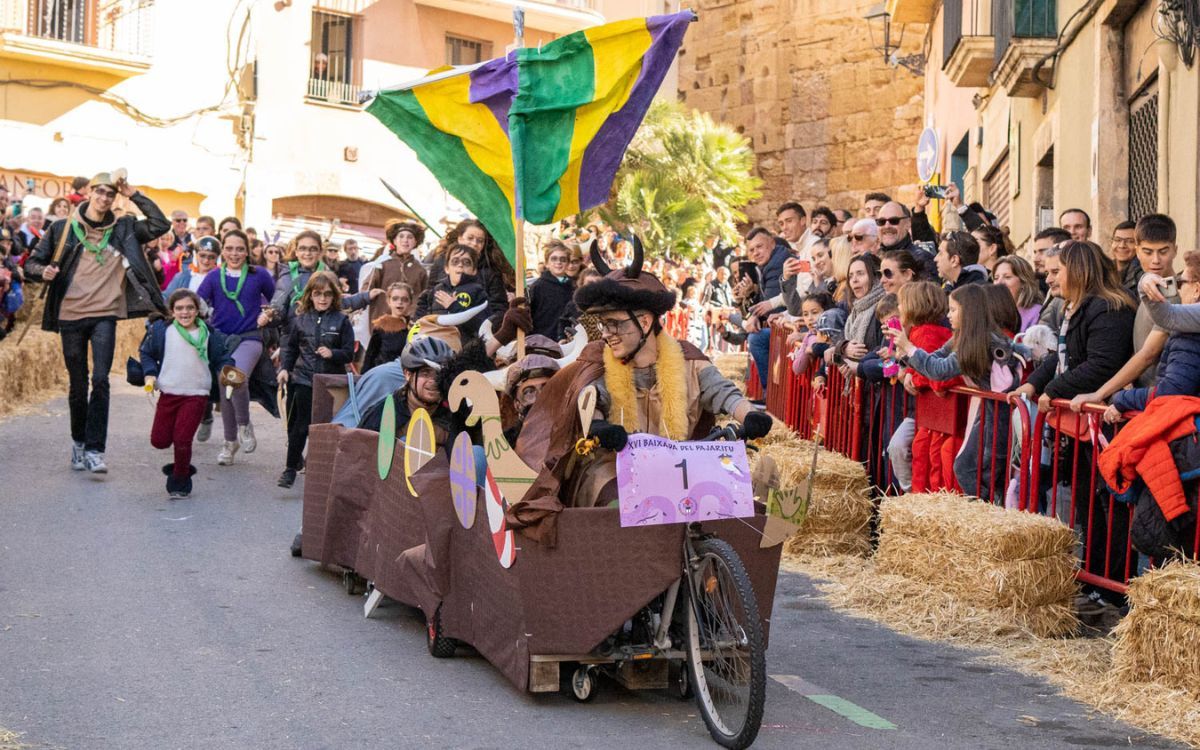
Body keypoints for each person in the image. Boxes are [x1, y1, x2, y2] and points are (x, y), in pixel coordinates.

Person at [510, 241, 772, 530]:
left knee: (740, 513)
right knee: (615, 502)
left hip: (680, 463)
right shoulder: (600, 363)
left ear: (645, 322)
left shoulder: (689, 360)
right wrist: (599, 427)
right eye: (603, 325)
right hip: (616, 469)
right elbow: (588, 401)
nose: (607, 334)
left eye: (615, 324)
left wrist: (750, 415)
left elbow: (722, 392)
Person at [1008, 241, 1135, 603]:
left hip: (1106, 426)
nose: (1048, 280)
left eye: (1054, 272)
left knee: (1108, 508)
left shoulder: (1109, 307)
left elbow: (1101, 364)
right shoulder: (1076, 305)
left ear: (1078, 270)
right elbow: (1060, 358)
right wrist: (1033, 384)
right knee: (1086, 506)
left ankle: (1110, 588)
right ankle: (1094, 580)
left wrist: (1055, 391)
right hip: (1079, 428)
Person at [25, 172, 169, 473]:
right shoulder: (63, 229)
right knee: (78, 385)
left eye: (110, 194)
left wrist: (134, 194)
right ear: (90, 193)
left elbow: (160, 225)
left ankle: (95, 450)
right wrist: (43, 272)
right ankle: (78, 442)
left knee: (101, 381)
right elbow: (31, 264)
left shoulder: (124, 228)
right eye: (100, 192)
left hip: (105, 313)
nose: (104, 198)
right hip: (70, 315)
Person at [892, 284, 1028, 500]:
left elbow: (940, 371)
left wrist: (909, 348)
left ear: (969, 310)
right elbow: (936, 358)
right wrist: (908, 359)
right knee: (970, 467)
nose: (948, 315)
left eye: (953, 310)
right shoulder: (963, 337)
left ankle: (984, 514)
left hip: (998, 415)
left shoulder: (980, 340)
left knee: (975, 469)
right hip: (987, 411)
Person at [1065, 213, 1177, 410]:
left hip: (1159, 402)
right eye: (1148, 252)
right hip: (1141, 399)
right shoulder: (1149, 289)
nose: (1156, 260)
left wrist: (1101, 393)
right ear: (1137, 251)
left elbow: (1148, 353)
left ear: (1175, 250)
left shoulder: (1171, 296)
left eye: (1163, 251)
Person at [139, 289, 235, 498]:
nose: (185, 312)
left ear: (197, 310)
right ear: (172, 311)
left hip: (196, 394)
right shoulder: (161, 331)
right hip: (168, 392)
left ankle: (180, 480)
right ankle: (178, 467)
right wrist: (150, 374)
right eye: (179, 308)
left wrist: (229, 374)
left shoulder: (208, 333)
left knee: (182, 439)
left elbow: (223, 358)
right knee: (159, 440)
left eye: (190, 308)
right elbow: (146, 353)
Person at [196, 229, 276, 465]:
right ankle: (229, 443)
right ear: (222, 251)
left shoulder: (259, 275)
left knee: (234, 377)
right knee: (225, 387)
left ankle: (244, 425)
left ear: (247, 251)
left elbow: (276, 302)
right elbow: (198, 304)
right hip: (221, 340)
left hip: (249, 337)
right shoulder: (213, 277)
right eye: (229, 248)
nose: (234, 253)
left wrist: (269, 313)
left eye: (240, 248)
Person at [276, 272, 355, 488]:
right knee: (298, 427)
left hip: (330, 383)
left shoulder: (341, 321)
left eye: (328, 294)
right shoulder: (300, 320)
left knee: (326, 429)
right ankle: (290, 468)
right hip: (302, 380)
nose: (322, 299)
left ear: (334, 296)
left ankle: (321, 469)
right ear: (310, 295)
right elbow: (290, 348)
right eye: (318, 294)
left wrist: (334, 354)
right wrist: (285, 369)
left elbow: (349, 352)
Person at [1105, 251, 1200, 417]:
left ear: (1197, 289)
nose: (1176, 289)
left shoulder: (1189, 332)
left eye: (1180, 283)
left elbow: (1171, 392)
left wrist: (1121, 399)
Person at [894, 282, 959, 493]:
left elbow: (932, 371)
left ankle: (918, 497)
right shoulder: (923, 332)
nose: (899, 309)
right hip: (932, 415)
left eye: (901, 304)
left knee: (928, 457)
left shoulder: (925, 334)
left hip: (938, 413)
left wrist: (913, 377)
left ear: (914, 305)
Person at [738, 227, 789, 390]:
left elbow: (771, 308)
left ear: (772, 244)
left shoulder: (777, 264)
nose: (756, 253)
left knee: (756, 339)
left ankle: (771, 391)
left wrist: (753, 316)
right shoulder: (766, 265)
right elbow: (764, 301)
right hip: (783, 323)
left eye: (759, 247)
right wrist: (749, 294)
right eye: (751, 250)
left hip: (791, 323)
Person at [414, 244, 487, 335]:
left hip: (465, 346)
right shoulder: (436, 290)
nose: (460, 265)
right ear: (447, 268)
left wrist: (454, 306)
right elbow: (426, 321)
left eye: (466, 262)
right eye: (455, 261)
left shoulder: (479, 291)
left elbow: (482, 325)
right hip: (438, 343)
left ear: (474, 270)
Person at [368, 220, 429, 324]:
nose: (405, 240)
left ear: (415, 242)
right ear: (394, 241)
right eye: (401, 236)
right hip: (381, 322)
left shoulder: (420, 271)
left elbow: (425, 299)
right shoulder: (382, 265)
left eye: (410, 237)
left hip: (409, 324)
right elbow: (367, 292)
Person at [835, 253, 885, 367]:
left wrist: (858, 367)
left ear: (876, 277)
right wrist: (843, 348)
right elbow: (838, 341)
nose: (854, 280)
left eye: (860, 274)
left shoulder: (884, 307)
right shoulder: (855, 310)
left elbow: (884, 351)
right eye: (851, 276)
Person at [503, 354, 561, 444]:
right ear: (517, 405)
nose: (540, 397)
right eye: (529, 392)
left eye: (547, 388)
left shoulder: (582, 432)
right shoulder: (506, 447)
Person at [527, 240, 576, 341]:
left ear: (567, 263)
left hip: (567, 340)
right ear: (547, 263)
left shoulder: (573, 286)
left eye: (563, 259)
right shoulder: (538, 286)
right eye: (554, 259)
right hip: (542, 340)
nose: (558, 262)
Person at [363, 282, 413, 372]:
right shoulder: (381, 325)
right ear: (388, 301)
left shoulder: (414, 326)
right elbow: (371, 355)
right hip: (384, 374)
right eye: (395, 299)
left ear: (410, 303)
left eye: (404, 299)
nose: (400, 302)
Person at [993, 256, 1041, 332]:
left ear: (1023, 282)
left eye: (1007, 277)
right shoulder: (991, 313)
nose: (999, 282)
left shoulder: (1037, 313)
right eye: (996, 278)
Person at [1109, 220, 1140, 298]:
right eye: (1117, 240)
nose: (1122, 245)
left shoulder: (1141, 274)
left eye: (1130, 241)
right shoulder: (1104, 269)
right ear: (1111, 242)